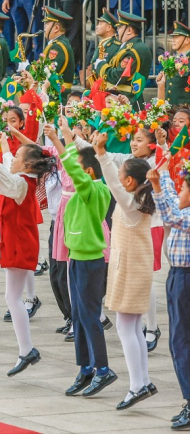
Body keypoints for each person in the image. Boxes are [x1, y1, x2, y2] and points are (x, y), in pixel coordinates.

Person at [45, 121, 117, 397]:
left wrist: (59, 139)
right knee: (78, 315)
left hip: (90, 261)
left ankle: (102, 369)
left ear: (87, 171)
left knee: (89, 316)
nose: (69, 169)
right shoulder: (81, 191)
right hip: (76, 258)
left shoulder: (95, 190)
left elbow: (73, 168)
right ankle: (85, 368)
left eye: (76, 165)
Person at [93, 132, 157, 410]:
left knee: (125, 327)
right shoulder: (139, 200)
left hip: (131, 269)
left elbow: (111, 182)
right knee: (131, 327)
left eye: (121, 174)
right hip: (132, 267)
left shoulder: (131, 203)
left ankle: (137, 385)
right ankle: (143, 380)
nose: (117, 177)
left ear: (130, 181)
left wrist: (101, 154)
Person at [0, 132, 52, 376]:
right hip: (17, 241)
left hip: (19, 243)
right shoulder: (24, 177)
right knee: (11, 297)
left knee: (12, 299)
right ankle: (25, 350)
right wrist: (1, 146)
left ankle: (27, 350)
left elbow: (5, 180)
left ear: (29, 164)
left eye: (17, 155)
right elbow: (9, 170)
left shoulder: (22, 183)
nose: (12, 157)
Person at [148, 160, 190, 431]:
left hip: (185, 278)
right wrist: (161, 178)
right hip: (179, 276)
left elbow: (172, 214)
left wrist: (158, 183)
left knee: (181, 340)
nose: (180, 190)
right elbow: (174, 203)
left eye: (184, 186)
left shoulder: (185, 215)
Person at [94, 11, 153, 108]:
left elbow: (118, 76)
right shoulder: (130, 47)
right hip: (123, 98)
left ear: (129, 30)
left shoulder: (133, 50)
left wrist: (101, 65)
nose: (117, 31)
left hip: (126, 100)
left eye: (119, 27)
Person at [41, 7, 76, 101]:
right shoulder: (57, 43)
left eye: (47, 24)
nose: (44, 27)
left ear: (56, 28)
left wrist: (27, 68)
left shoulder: (58, 47)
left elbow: (47, 73)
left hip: (55, 97)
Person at [156, 21, 190, 106]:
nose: (173, 40)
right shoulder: (171, 61)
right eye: (173, 37)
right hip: (170, 112)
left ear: (187, 40)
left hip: (185, 114)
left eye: (177, 37)